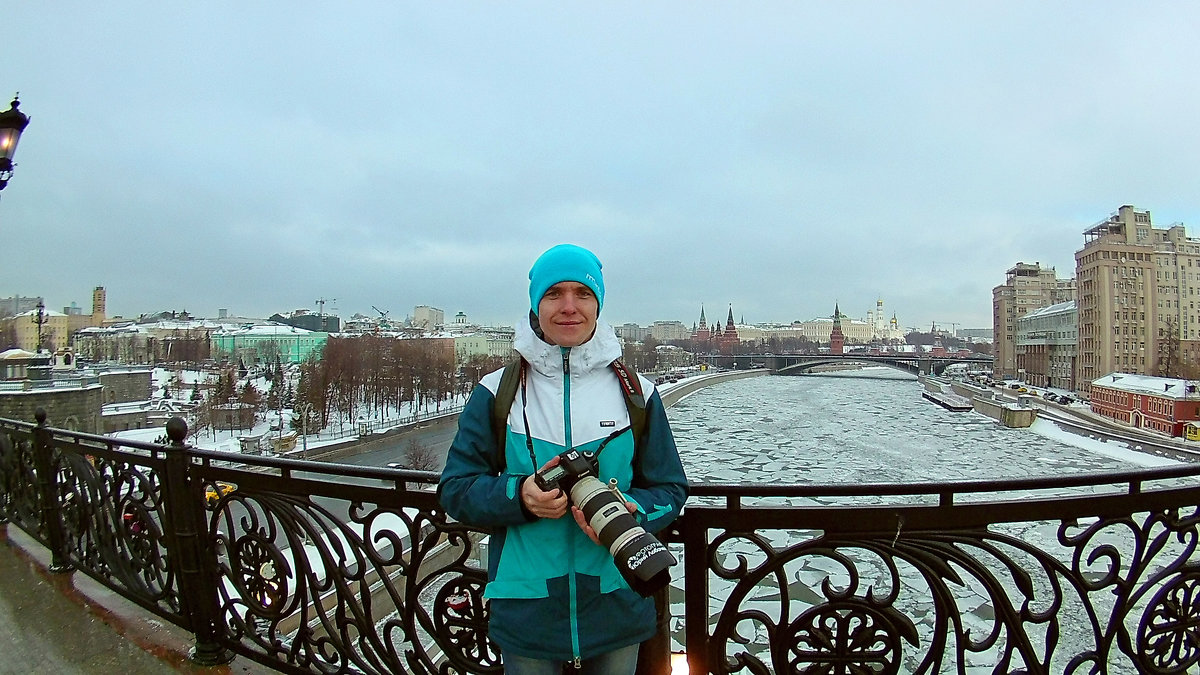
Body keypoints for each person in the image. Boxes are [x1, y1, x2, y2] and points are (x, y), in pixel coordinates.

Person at [438, 244, 689, 674]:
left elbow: (671, 489)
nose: (569, 307)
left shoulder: (638, 394)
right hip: (527, 607)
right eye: (554, 294)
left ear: (598, 304)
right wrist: (520, 497)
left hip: (616, 600)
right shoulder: (496, 392)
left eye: (582, 294)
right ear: (536, 305)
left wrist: (635, 511)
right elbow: (455, 490)